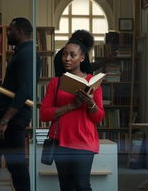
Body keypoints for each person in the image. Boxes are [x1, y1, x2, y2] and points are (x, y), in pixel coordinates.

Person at [0, 17, 41, 191]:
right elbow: (17, 86)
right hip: (11, 114)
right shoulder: (22, 52)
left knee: (15, 163)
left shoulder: (28, 54)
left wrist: (5, 120)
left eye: (10, 30)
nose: (7, 33)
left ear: (20, 32)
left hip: (14, 118)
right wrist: (4, 99)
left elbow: (25, 90)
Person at [40, 30, 104, 191]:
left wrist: (90, 104)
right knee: (66, 187)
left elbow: (99, 118)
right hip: (61, 141)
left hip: (84, 141)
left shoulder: (92, 82)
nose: (67, 58)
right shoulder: (56, 82)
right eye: (64, 54)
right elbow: (44, 114)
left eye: (72, 55)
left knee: (82, 185)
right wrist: (71, 106)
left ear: (82, 58)